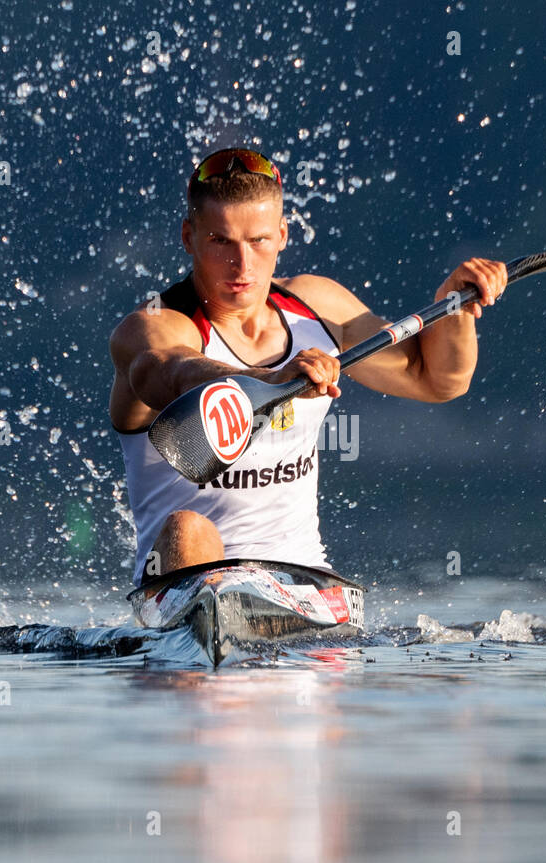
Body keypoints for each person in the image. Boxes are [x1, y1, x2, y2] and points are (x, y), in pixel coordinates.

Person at [109, 147, 507, 585]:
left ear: (282, 235)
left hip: (304, 582)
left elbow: (437, 380)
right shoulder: (153, 325)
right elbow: (169, 370)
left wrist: (454, 307)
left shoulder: (317, 306)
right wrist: (269, 380)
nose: (242, 265)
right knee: (189, 527)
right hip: (183, 583)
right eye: (220, 241)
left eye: (258, 241)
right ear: (189, 237)